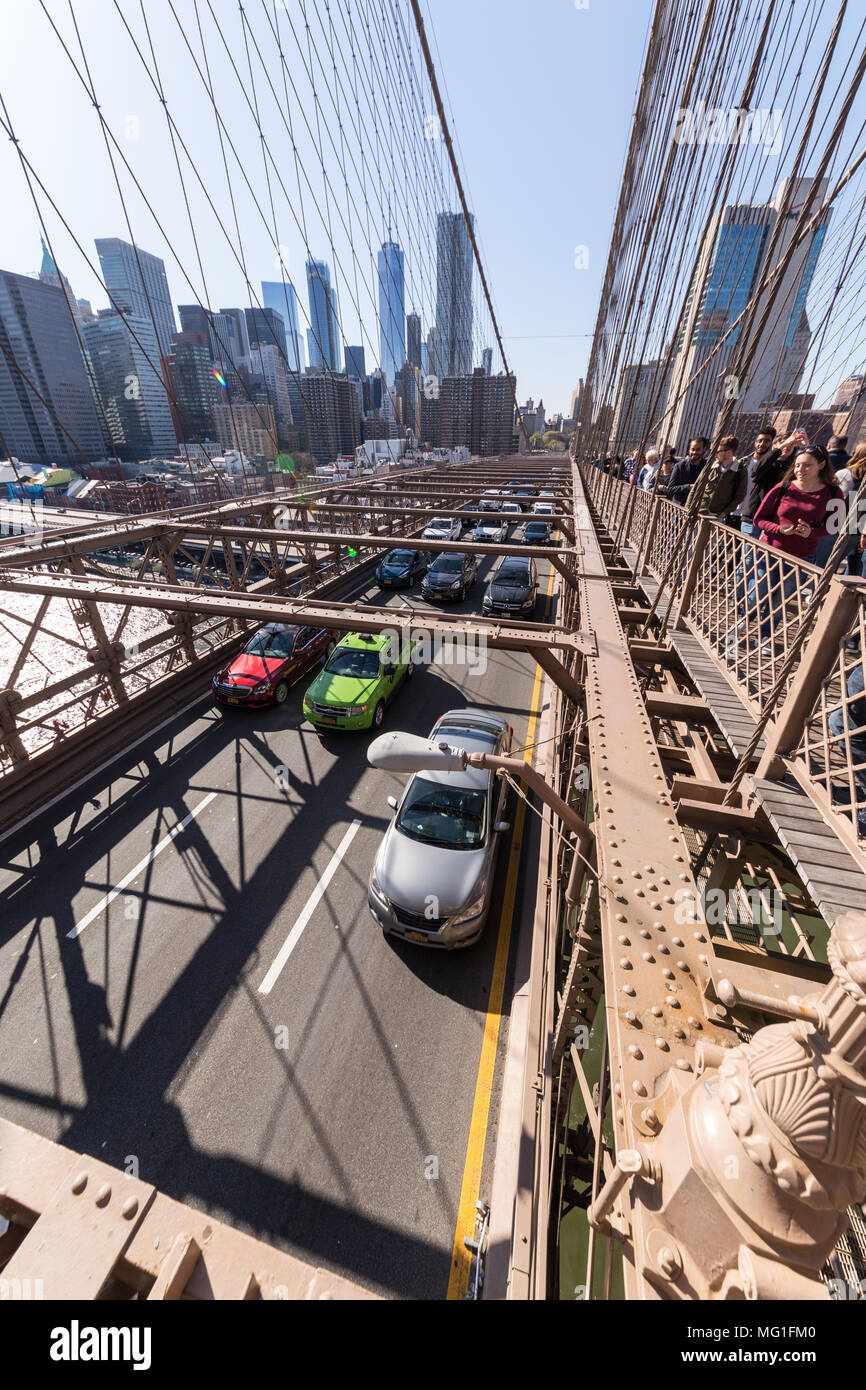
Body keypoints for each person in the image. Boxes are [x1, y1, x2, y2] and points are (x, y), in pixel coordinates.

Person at [688, 435, 746, 520]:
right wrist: (688, 508)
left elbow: (739, 496)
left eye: (717, 451)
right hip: (697, 514)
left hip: (716, 518)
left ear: (729, 452)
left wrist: (724, 513)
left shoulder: (740, 471)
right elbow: (695, 488)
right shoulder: (710, 466)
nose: (714, 454)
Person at [666, 436, 708, 504]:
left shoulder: (707, 466)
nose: (694, 452)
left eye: (698, 450)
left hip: (697, 507)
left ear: (704, 449)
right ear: (689, 449)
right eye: (692, 449)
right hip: (679, 507)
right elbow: (670, 489)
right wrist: (688, 487)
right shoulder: (679, 466)